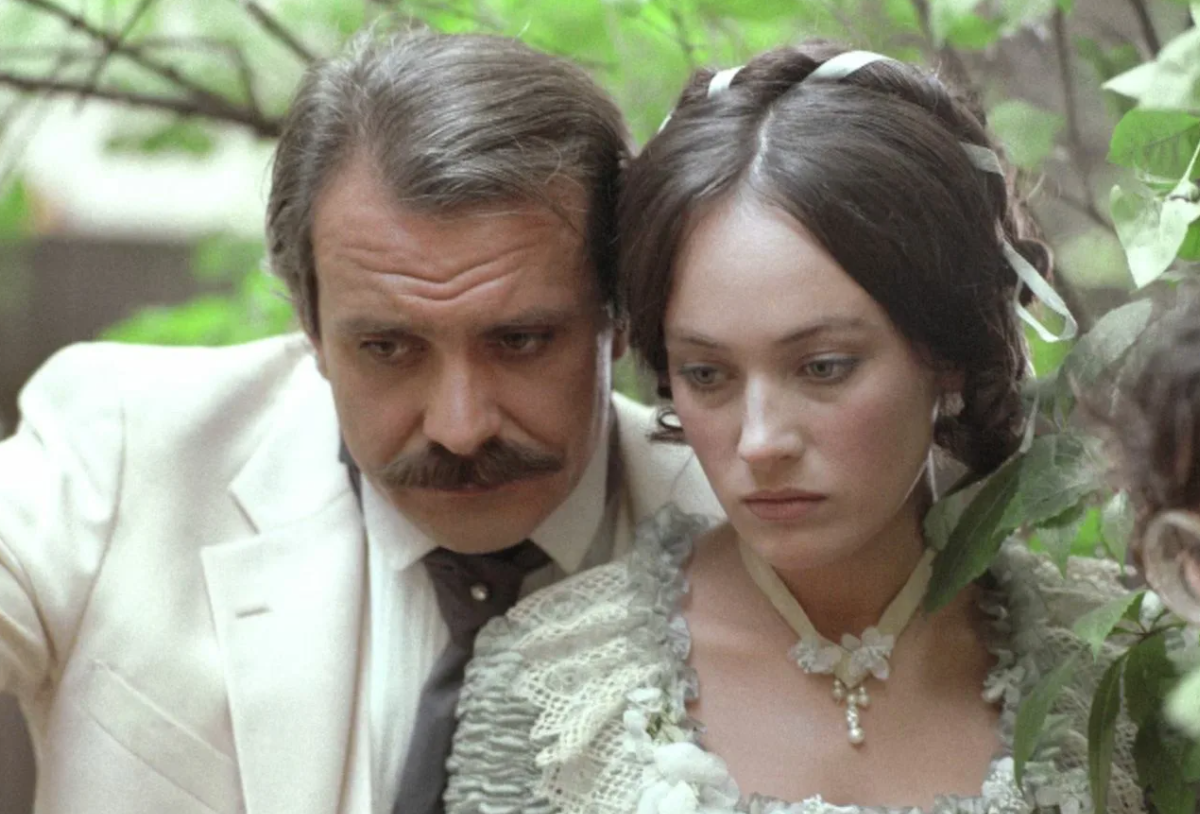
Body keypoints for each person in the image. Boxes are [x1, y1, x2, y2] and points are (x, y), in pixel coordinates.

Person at [0, 28, 719, 814]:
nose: (460, 427)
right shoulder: (123, 453)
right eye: (387, 348)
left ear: (619, 318)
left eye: (520, 341)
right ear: (310, 325)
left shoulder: (749, 525)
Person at [444, 43, 1144, 814]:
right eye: (707, 374)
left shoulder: (1119, 661)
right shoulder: (554, 694)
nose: (760, 442)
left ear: (947, 354)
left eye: (823, 367)